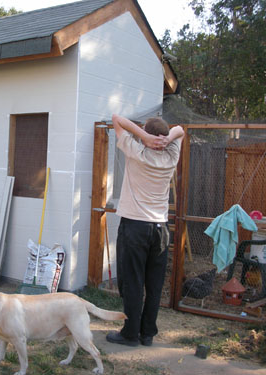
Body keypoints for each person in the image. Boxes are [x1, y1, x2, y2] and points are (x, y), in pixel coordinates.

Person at [106, 114, 184, 347]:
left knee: (132, 282)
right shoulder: (171, 156)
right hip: (160, 230)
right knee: (154, 283)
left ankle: (130, 334)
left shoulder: (136, 152)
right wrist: (166, 138)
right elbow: (180, 129)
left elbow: (116, 119)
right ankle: (147, 333)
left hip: (135, 227)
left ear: (147, 134)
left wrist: (144, 137)